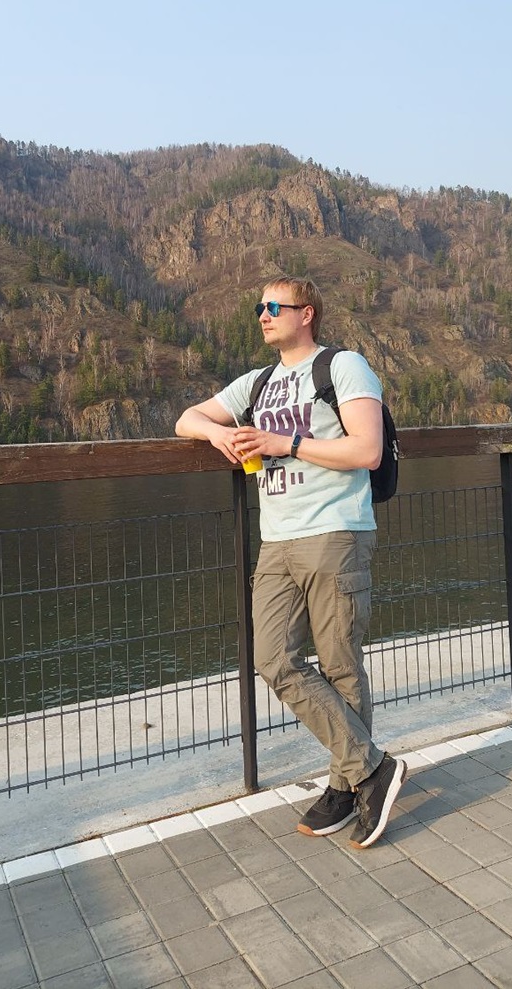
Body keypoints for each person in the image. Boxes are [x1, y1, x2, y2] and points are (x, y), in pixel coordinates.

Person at [175, 276, 406, 848]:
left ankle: (346, 787)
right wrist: (218, 436)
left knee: (341, 664)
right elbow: (187, 418)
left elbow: (366, 450)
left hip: (336, 530)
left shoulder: (342, 366)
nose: (263, 314)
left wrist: (287, 445)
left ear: (307, 314)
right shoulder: (257, 383)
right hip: (277, 539)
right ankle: (372, 769)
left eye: (274, 306)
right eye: (260, 306)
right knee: (274, 659)